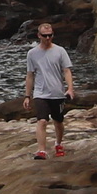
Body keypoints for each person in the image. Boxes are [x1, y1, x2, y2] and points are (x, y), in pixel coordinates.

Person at [23, 20, 77, 159]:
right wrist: (27, 96)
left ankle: (58, 143)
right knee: (42, 121)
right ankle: (41, 150)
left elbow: (66, 71)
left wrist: (70, 89)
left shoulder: (60, 51)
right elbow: (30, 75)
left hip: (57, 93)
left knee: (58, 121)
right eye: (45, 35)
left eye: (50, 35)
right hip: (40, 93)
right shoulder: (32, 53)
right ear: (39, 35)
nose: (48, 38)